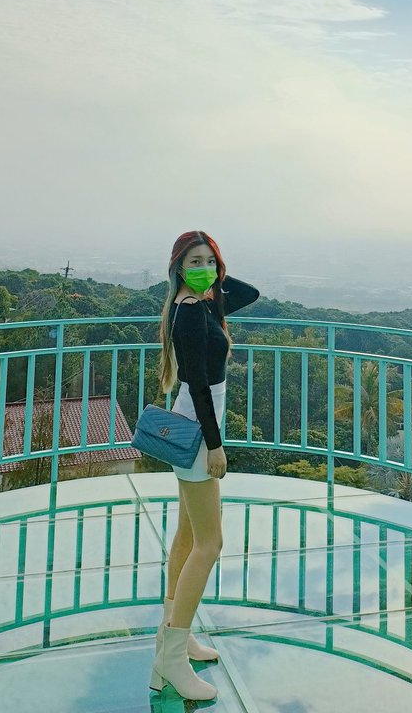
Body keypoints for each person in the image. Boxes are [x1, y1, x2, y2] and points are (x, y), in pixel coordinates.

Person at [148, 230, 260, 700]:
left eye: (210, 261)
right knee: (210, 543)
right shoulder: (192, 315)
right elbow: (197, 386)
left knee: (188, 536)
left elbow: (250, 295)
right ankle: (171, 658)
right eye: (194, 261)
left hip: (191, 423)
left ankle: (173, 633)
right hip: (197, 429)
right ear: (177, 266)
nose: (205, 268)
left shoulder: (197, 304)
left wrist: (214, 277)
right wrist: (214, 447)